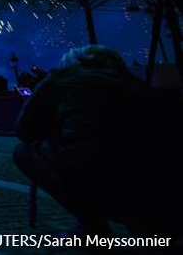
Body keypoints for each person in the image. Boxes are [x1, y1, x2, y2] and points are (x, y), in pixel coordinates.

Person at [13, 45, 182, 239]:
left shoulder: (61, 78)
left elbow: (23, 130)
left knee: (22, 152)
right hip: (151, 192)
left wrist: (52, 131)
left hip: (91, 184)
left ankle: (91, 227)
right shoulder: (133, 83)